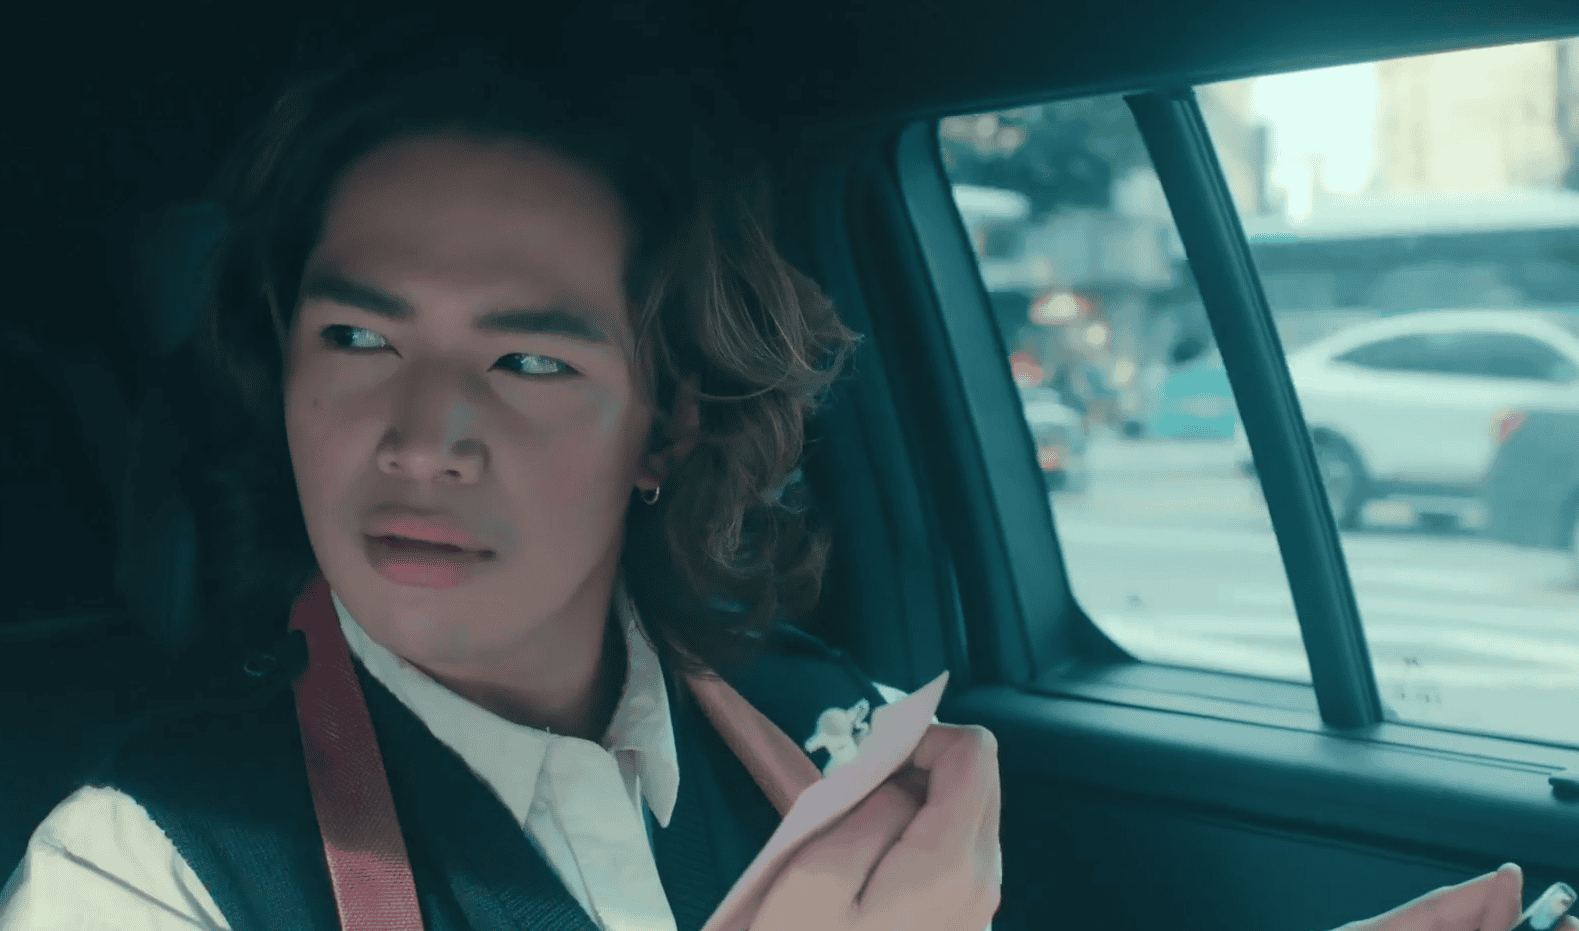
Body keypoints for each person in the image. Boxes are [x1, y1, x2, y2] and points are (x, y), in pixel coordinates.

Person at [0, 30, 1569, 931]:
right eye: (358, 338)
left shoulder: (831, 735)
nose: (421, 436)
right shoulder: (149, 864)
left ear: (665, 428)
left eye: (528, 359)